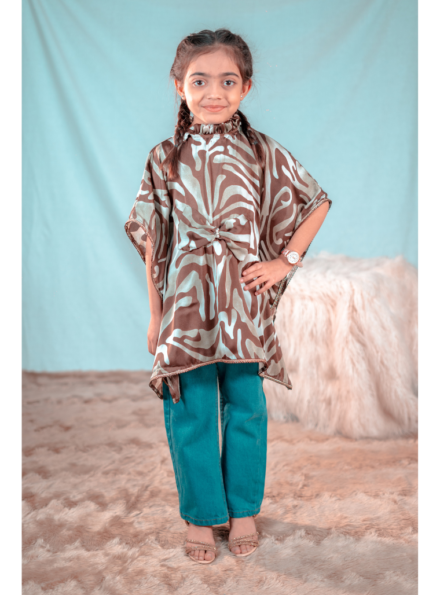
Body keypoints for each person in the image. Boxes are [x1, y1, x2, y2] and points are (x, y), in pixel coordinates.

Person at [124, 29, 332, 564]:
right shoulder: (164, 157)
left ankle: (242, 509)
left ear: (245, 88)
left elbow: (316, 201)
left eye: (227, 81)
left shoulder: (261, 152)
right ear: (179, 86)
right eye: (199, 81)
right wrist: (155, 316)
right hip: (187, 305)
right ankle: (201, 515)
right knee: (190, 408)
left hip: (243, 305)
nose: (213, 92)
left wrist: (285, 262)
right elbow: (152, 241)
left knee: (246, 407)